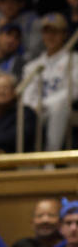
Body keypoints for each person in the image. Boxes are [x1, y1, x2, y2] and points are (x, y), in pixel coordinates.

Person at [21, 13, 78, 151]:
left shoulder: (75, 60)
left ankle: (50, 158)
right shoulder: (32, 66)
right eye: (47, 32)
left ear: (64, 34)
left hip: (63, 110)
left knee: (59, 104)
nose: (50, 36)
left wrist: (45, 104)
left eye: (55, 32)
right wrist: (35, 106)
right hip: (37, 112)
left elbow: (74, 91)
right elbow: (27, 96)